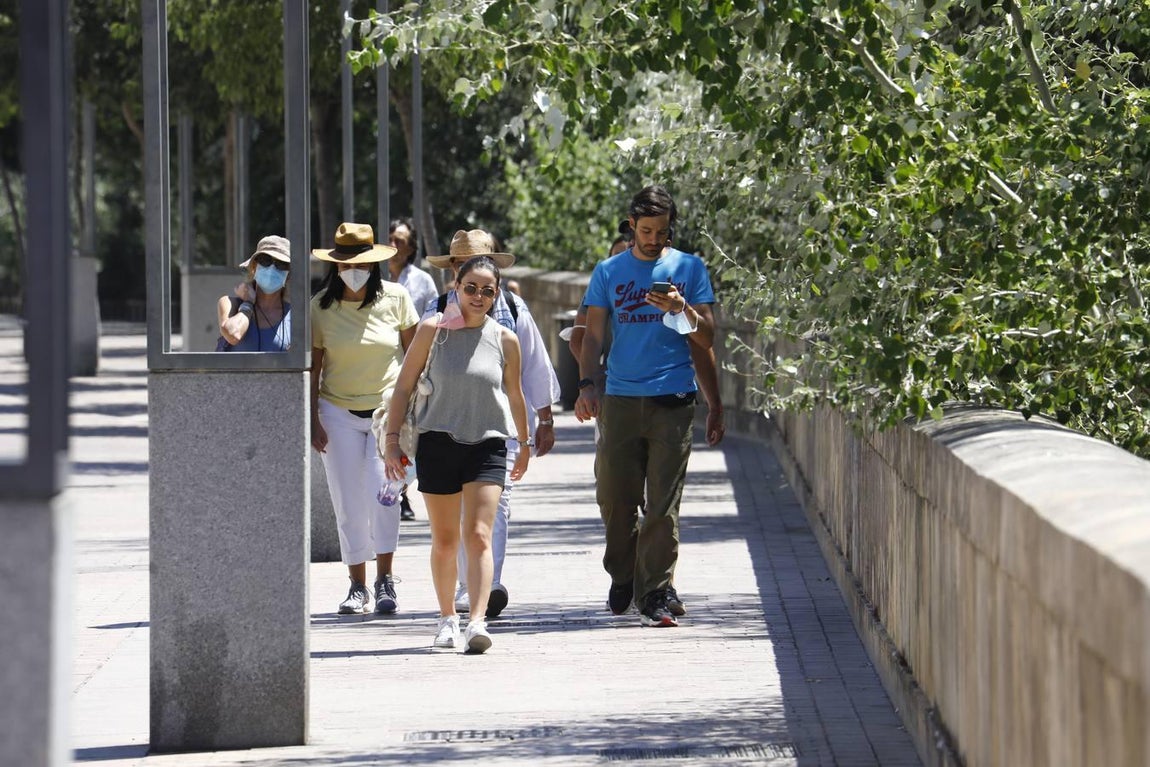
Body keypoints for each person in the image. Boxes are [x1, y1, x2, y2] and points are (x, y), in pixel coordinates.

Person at [574, 185, 721, 628]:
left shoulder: (688, 268)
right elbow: (593, 334)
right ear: (632, 225)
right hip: (620, 398)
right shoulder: (609, 271)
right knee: (615, 500)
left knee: (662, 504)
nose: (654, 238)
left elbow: (707, 336)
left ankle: (655, 589)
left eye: (661, 231)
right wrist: (587, 385)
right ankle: (625, 573)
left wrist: (682, 309)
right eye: (646, 230)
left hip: (672, 398)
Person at [381, 248, 532, 654]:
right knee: (446, 539)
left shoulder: (506, 339)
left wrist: (526, 442)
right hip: (437, 441)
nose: (478, 296)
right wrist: (393, 441)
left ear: (497, 294)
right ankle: (447, 618)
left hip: (488, 443)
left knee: (479, 535)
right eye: (470, 288)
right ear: (456, 288)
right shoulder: (433, 330)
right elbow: (403, 386)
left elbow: (515, 395)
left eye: (487, 290)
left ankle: (478, 621)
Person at [423, 231, 561, 620]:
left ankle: (487, 585)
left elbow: (534, 365)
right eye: (460, 265)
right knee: (455, 522)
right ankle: (467, 589)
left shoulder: (513, 309)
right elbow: (414, 373)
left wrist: (543, 420)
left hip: (499, 428)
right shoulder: (434, 313)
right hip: (446, 427)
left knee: (494, 509)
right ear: (453, 271)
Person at [310, 222, 418, 616]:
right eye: (345, 263)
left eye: (360, 263)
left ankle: (385, 579)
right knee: (347, 502)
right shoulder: (320, 307)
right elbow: (314, 369)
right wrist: (312, 421)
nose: (353, 270)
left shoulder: (397, 297)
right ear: (335, 266)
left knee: (385, 497)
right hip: (336, 413)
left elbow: (415, 357)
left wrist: (412, 415)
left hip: (386, 417)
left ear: (373, 264)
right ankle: (356, 585)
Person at [387, 217, 440, 521]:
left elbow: (432, 319)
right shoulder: (374, 277)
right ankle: (392, 489)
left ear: (410, 249)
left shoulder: (421, 282)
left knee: (408, 430)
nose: (395, 246)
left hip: (412, 364)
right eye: (391, 239)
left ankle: (402, 492)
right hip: (382, 363)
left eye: (401, 241)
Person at [216, 235, 293, 351]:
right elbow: (233, 335)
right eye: (265, 260)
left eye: (281, 264)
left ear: (288, 276)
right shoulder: (230, 304)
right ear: (253, 267)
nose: (272, 269)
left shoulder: (296, 317)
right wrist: (248, 303)